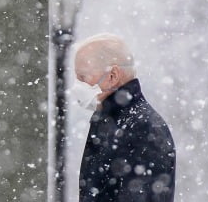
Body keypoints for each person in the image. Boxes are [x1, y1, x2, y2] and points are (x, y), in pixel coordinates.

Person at [72, 32, 176, 202]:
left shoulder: (143, 128)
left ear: (112, 76)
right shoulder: (114, 122)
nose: (77, 87)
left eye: (83, 77)